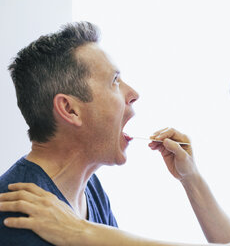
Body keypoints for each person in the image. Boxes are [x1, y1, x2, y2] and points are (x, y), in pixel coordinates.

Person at [1, 47, 230, 246]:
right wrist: (190, 179)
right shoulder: (18, 208)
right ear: (68, 108)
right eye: (115, 81)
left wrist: (80, 232)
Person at [0, 21, 139, 245]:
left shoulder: (91, 189)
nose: (133, 93)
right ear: (70, 109)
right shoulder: (17, 217)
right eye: (114, 81)